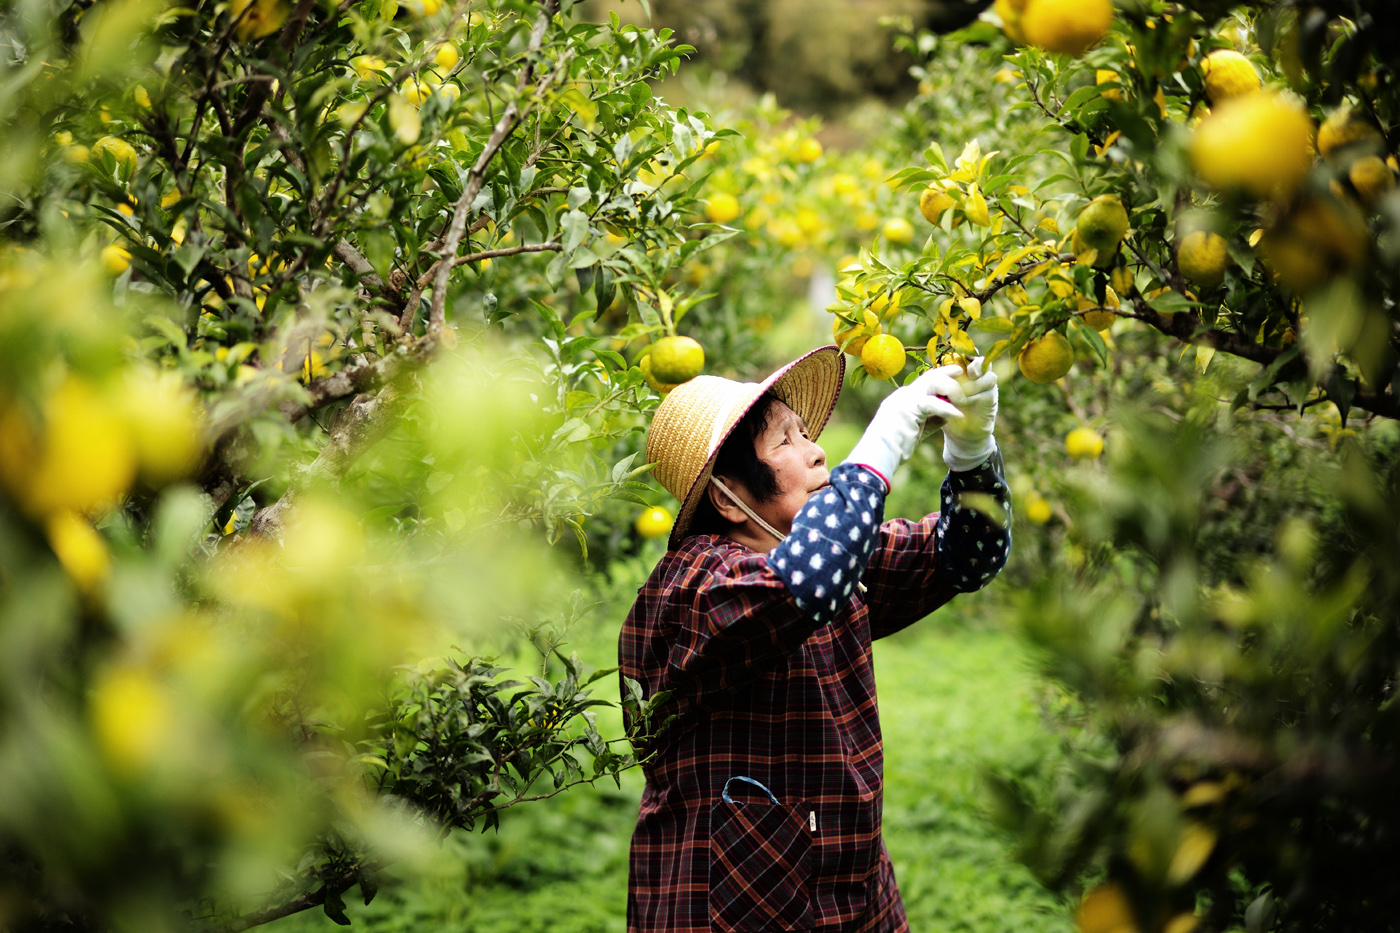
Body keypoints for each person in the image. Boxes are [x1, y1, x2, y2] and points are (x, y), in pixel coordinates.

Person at [620, 345, 1010, 933]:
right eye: (785, 441)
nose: (816, 450)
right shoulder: (693, 588)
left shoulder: (832, 557)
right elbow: (803, 584)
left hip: (852, 893)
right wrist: (884, 444)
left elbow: (967, 556)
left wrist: (972, 452)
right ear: (726, 495)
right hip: (735, 905)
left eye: (807, 433)